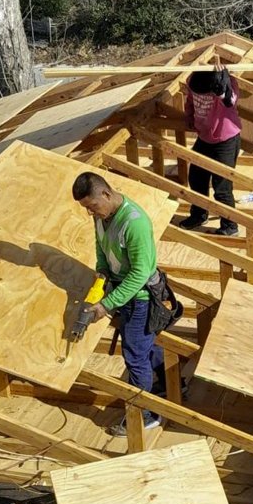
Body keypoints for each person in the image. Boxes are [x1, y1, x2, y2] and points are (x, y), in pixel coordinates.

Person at [72, 172, 164, 434]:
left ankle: (146, 415)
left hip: (140, 297)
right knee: (142, 345)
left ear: (106, 194)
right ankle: (171, 381)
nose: (91, 213)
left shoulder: (134, 223)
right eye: (86, 209)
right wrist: (102, 274)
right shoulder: (102, 216)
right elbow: (101, 248)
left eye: (92, 206)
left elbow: (139, 274)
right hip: (122, 292)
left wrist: (106, 304)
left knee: (134, 356)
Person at [179, 63, 243, 237]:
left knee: (222, 186)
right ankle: (199, 215)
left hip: (226, 139)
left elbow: (230, 101)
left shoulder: (227, 82)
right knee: (196, 178)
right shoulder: (194, 80)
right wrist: (190, 117)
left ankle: (230, 225)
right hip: (205, 137)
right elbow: (190, 101)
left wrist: (222, 90)